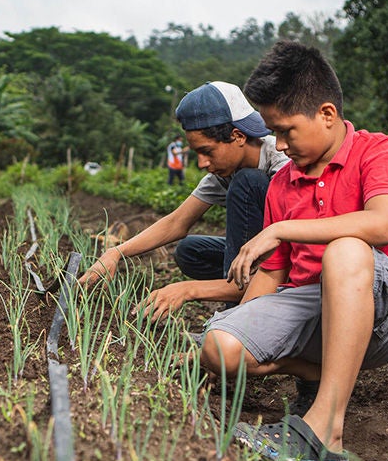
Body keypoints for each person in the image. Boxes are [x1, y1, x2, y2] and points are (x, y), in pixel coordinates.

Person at [197, 40, 388, 461]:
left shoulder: (380, 151)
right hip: (312, 311)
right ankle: (312, 372)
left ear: (326, 114)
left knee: (344, 251)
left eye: (286, 131)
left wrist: (280, 228)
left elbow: (381, 225)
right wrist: (237, 336)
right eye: (274, 133)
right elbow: (272, 276)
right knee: (219, 346)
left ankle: (325, 432)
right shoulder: (284, 183)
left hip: (387, 312)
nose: (280, 146)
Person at [80, 81, 289, 317]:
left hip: (291, 260)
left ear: (238, 136)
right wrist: (115, 253)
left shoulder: (282, 159)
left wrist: (189, 290)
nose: (202, 164)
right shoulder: (223, 173)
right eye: (197, 154)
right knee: (190, 251)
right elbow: (176, 222)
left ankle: (237, 316)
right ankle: (239, 287)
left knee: (248, 181)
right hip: (259, 258)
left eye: (207, 152)